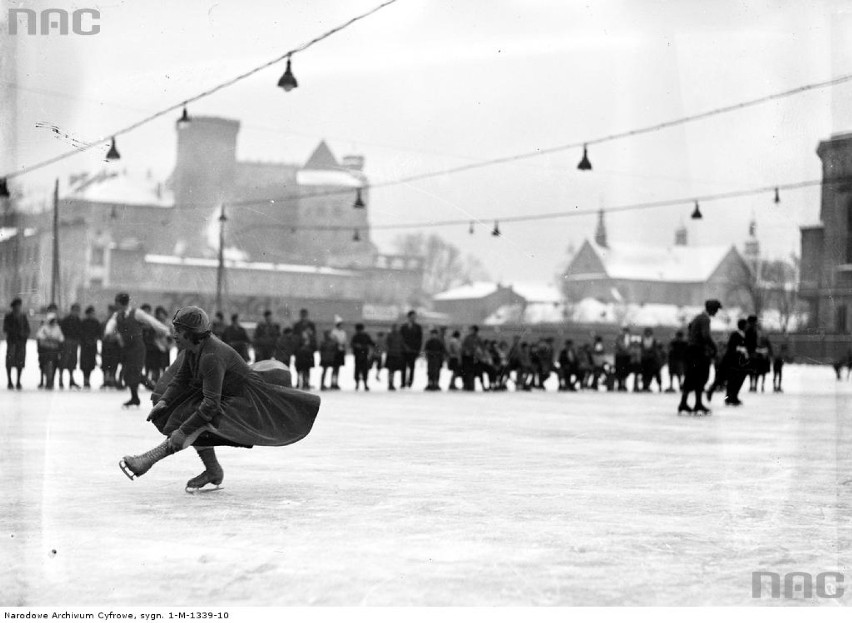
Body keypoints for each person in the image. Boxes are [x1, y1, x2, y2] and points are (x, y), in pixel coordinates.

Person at [119, 306, 320, 493]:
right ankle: (213, 470)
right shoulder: (193, 348)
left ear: (191, 334)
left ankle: (148, 460)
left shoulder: (211, 356)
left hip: (243, 399)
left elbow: (210, 406)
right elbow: (182, 378)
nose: (174, 335)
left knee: (196, 422)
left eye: (178, 331)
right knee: (187, 418)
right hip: (223, 393)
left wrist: (182, 432)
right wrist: (165, 401)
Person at [104, 292, 170, 408]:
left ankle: (158, 393)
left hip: (137, 348)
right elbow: (111, 325)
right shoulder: (117, 315)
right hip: (126, 348)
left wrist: (165, 331)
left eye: (117, 302)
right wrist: (108, 333)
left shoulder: (136, 313)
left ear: (120, 303)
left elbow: (151, 321)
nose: (116, 304)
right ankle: (136, 397)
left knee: (135, 373)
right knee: (129, 375)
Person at [678, 299, 722, 415]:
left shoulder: (698, 317)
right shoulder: (705, 318)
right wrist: (714, 347)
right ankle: (696, 404)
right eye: (716, 310)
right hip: (697, 352)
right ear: (712, 309)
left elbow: (690, 327)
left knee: (691, 377)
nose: (717, 312)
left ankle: (686, 403)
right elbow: (706, 335)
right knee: (700, 377)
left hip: (692, 350)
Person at [3, 297, 30, 390]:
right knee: (10, 361)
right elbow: (5, 328)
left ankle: (18, 380)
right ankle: (9, 380)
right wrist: (14, 332)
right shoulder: (9, 316)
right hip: (12, 342)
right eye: (17, 306)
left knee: (20, 362)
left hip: (21, 342)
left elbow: (27, 328)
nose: (18, 308)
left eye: (19, 306)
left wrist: (24, 335)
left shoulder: (23, 316)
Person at [721, 319, 749, 406]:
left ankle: (735, 396)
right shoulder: (735, 334)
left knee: (739, 380)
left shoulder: (745, 335)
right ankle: (729, 397)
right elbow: (731, 346)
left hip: (742, 361)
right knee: (732, 379)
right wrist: (741, 349)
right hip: (734, 361)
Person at [57, 303, 83, 389]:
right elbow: (62, 331)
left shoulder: (78, 320)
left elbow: (79, 332)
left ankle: (71, 379)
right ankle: (61, 379)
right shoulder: (66, 320)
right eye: (75, 310)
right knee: (64, 360)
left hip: (74, 343)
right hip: (67, 342)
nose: (76, 312)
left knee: (72, 361)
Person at [36, 312, 64, 390]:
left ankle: (51, 381)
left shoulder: (57, 328)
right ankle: (45, 380)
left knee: (54, 366)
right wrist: (46, 338)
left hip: (54, 350)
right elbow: (39, 335)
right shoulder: (44, 327)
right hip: (45, 350)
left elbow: (61, 338)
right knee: (44, 366)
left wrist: (54, 339)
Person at [399, 310, 423, 388]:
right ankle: (402, 382)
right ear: (409, 317)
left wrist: (418, 350)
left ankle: (410, 382)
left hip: (413, 351)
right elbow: (401, 339)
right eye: (412, 317)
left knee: (412, 367)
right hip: (404, 351)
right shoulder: (403, 327)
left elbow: (419, 339)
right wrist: (404, 347)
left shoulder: (418, 327)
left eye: (415, 317)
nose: (414, 318)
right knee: (403, 367)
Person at [79, 306, 101, 389]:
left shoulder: (96, 322)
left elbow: (98, 333)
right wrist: (86, 340)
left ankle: (88, 380)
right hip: (85, 346)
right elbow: (81, 333)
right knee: (84, 364)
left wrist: (94, 340)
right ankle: (85, 380)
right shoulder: (83, 322)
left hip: (92, 346)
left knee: (91, 363)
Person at [350, 323, 375, 391]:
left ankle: (364, 384)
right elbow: (352, 344)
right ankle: (358, 384)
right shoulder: (360, 336)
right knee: (359, 370)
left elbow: (371, 343)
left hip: (363, 355)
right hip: (359, 355)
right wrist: (357, 345)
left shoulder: (362, 336)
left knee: (363, 370)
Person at [384, 324, 405, 391]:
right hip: (391, 354)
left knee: (394, 370)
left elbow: (402, 344)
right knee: (391, 370)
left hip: (397, 354)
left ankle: (392, 383)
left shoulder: (400, 336)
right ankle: (390, 383)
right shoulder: (390, 335)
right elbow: (387, 344)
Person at [329, 316, 347, 390]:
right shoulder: (334, 332)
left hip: (341, 351)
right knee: (334, 368)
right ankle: (332, 382)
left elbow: (344, 341)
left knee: (338, 368)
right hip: (335, 351)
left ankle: (336, 382)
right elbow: (333, 341)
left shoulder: (343, 332)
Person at [614, 327, 632, 391]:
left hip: (626, 356)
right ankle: (619, 385)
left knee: (625, 371)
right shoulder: (619, 337)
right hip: (620, 356)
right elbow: (620, 345)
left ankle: (624, 384)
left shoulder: (629, 338)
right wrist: (626, 350)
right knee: (619, 371)